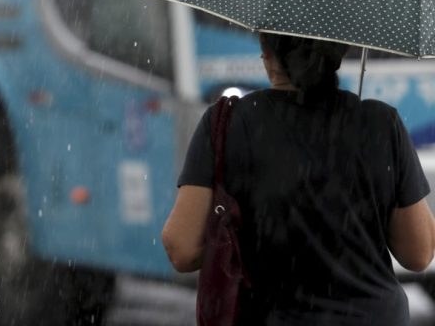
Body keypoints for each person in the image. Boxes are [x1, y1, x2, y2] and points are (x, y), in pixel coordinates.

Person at [162, 32, 435, 325]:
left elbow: (182, 248)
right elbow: (418, 253)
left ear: (266, 53)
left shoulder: (228, 123)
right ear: (340, 51)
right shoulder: (380, 123)